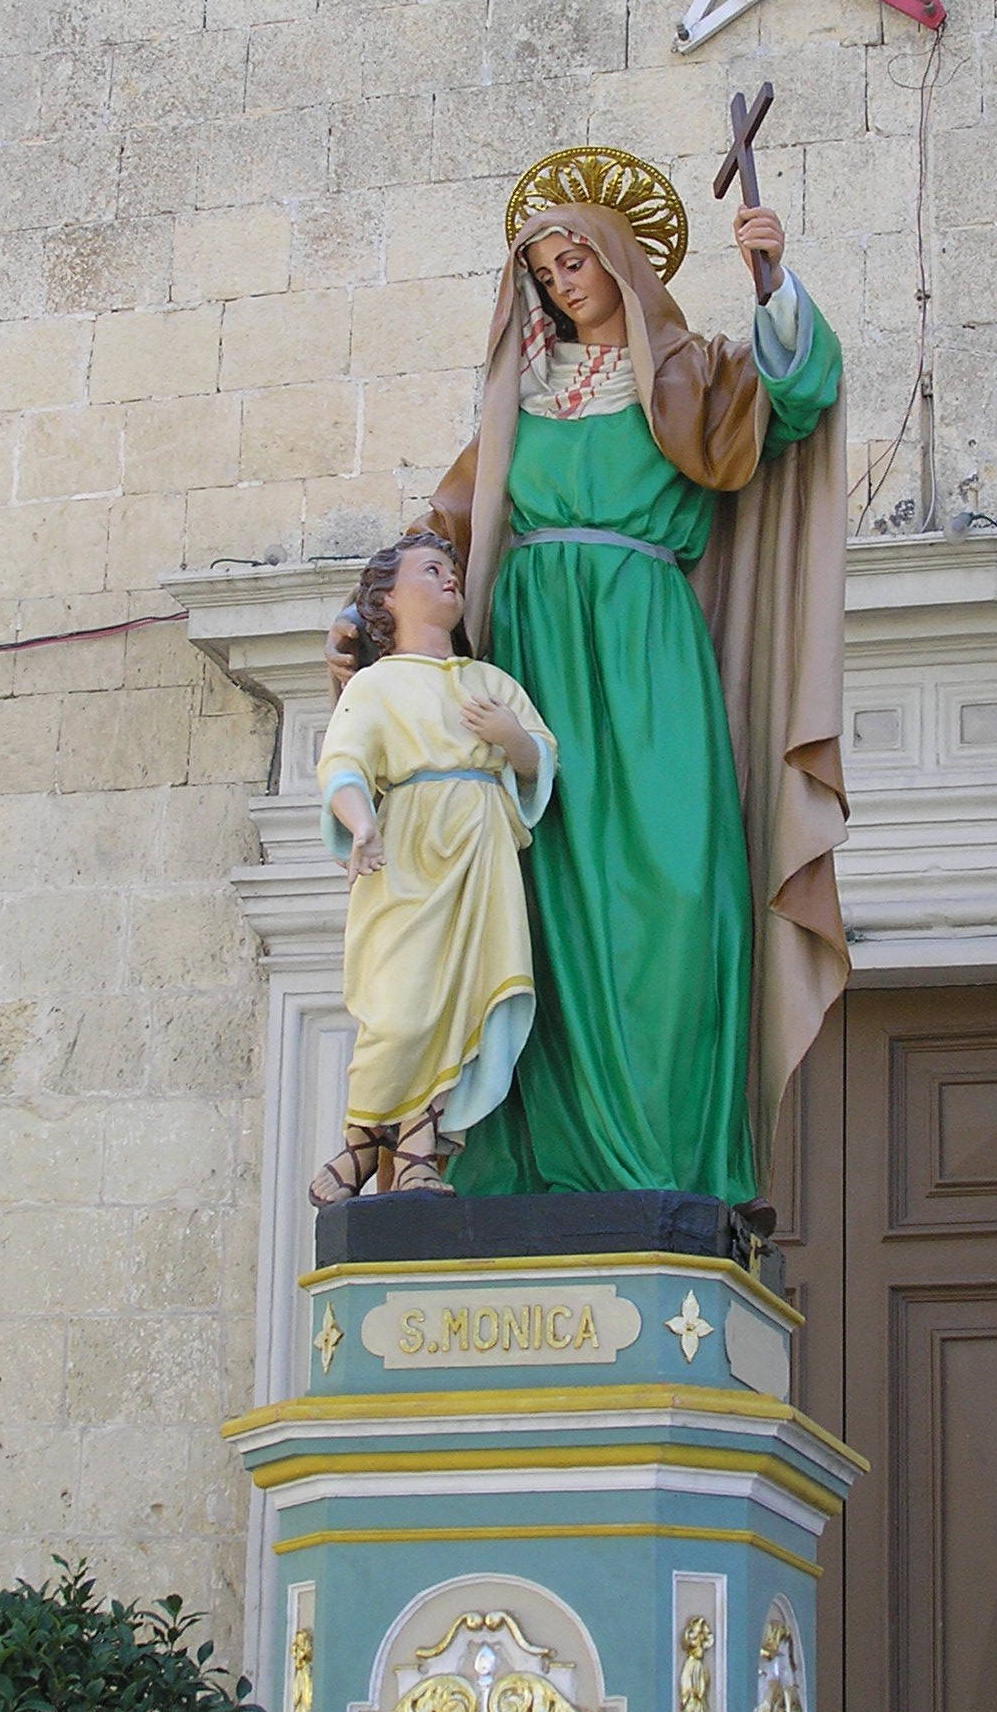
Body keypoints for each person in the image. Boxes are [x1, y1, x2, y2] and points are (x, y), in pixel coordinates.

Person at [329, 149, 849, 1211]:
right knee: (526, 904)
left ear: (618, 263)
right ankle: (518, 1162)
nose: (563, 283)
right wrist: (364, 624)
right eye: (547, 272)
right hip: (525, 663)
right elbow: (445, 533)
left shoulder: (689, 375)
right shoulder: (515, 403)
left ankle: (662, 1167)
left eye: (576, 262)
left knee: (673, 892)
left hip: (645, 653)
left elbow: (790, 399)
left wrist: (773, 284)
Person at [309, 532, 556, 1200]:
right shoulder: (376, 683)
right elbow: (344, 764)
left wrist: (512, 740)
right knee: (401, 1008)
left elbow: (538, 760)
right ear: (385, 598)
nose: (450, 579)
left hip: (481, 856)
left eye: (452, 570)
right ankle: (363, 1138)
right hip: (409, 849)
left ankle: (416, 1152)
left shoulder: (489, 682)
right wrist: (362, 824)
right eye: (431, 570)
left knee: (463, 1003)